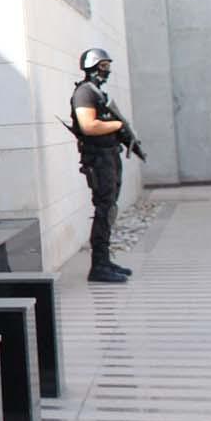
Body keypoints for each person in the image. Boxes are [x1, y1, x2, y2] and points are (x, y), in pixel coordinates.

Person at [69, 48, 135, 284]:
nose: (107, 70)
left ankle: (104, 260)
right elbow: (88, 126)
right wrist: (117, 125)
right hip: (98, 159)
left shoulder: (97, 93)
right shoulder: (84, 93)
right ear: (92, 66)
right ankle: (98, 266)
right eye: (103, 65)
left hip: (109, 156)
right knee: (104, 208)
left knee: (109, 208)